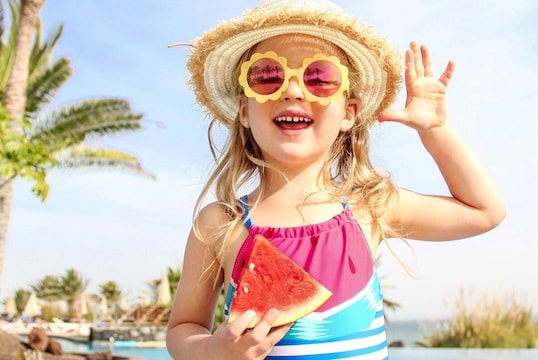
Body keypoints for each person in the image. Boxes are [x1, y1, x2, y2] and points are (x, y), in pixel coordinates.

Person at [166, 0, 506, 359]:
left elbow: (485, 211)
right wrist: (212, 351)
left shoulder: (369, 206)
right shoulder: (222, 223)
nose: (293, 91)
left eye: (319, 78)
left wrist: (436, 131)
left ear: (349, 113)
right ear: (244, 111)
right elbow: (183, 328)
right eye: (267, 76)